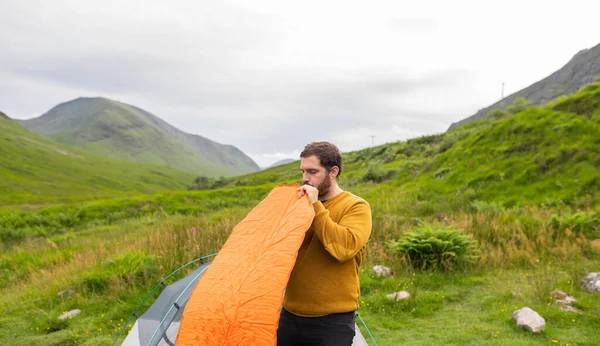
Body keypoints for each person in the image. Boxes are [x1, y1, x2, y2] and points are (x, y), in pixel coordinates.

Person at [277, 141, 373, 346]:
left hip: (332, 321)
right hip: (289, 315)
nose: (305, 178)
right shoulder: (298, 205)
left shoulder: (356, 206)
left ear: (333, 171)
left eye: (313, 171)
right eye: (303, 171)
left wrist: (316, 206)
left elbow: (344, 247)